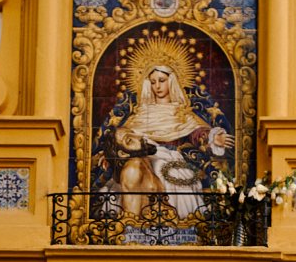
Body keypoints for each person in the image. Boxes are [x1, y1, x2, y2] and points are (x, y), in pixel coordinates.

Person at [98, 62, 234, 217]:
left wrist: (212, 137)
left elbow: (196, 133)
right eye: (153, 82)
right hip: (143, 158)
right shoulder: (141, 114)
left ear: (171, 81)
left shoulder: (181, 113)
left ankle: (178, 228)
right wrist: (110, 154)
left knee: (170, 177)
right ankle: (133, 226)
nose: (157, 86)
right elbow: (124, 138)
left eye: (162, 80)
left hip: (171, 160)